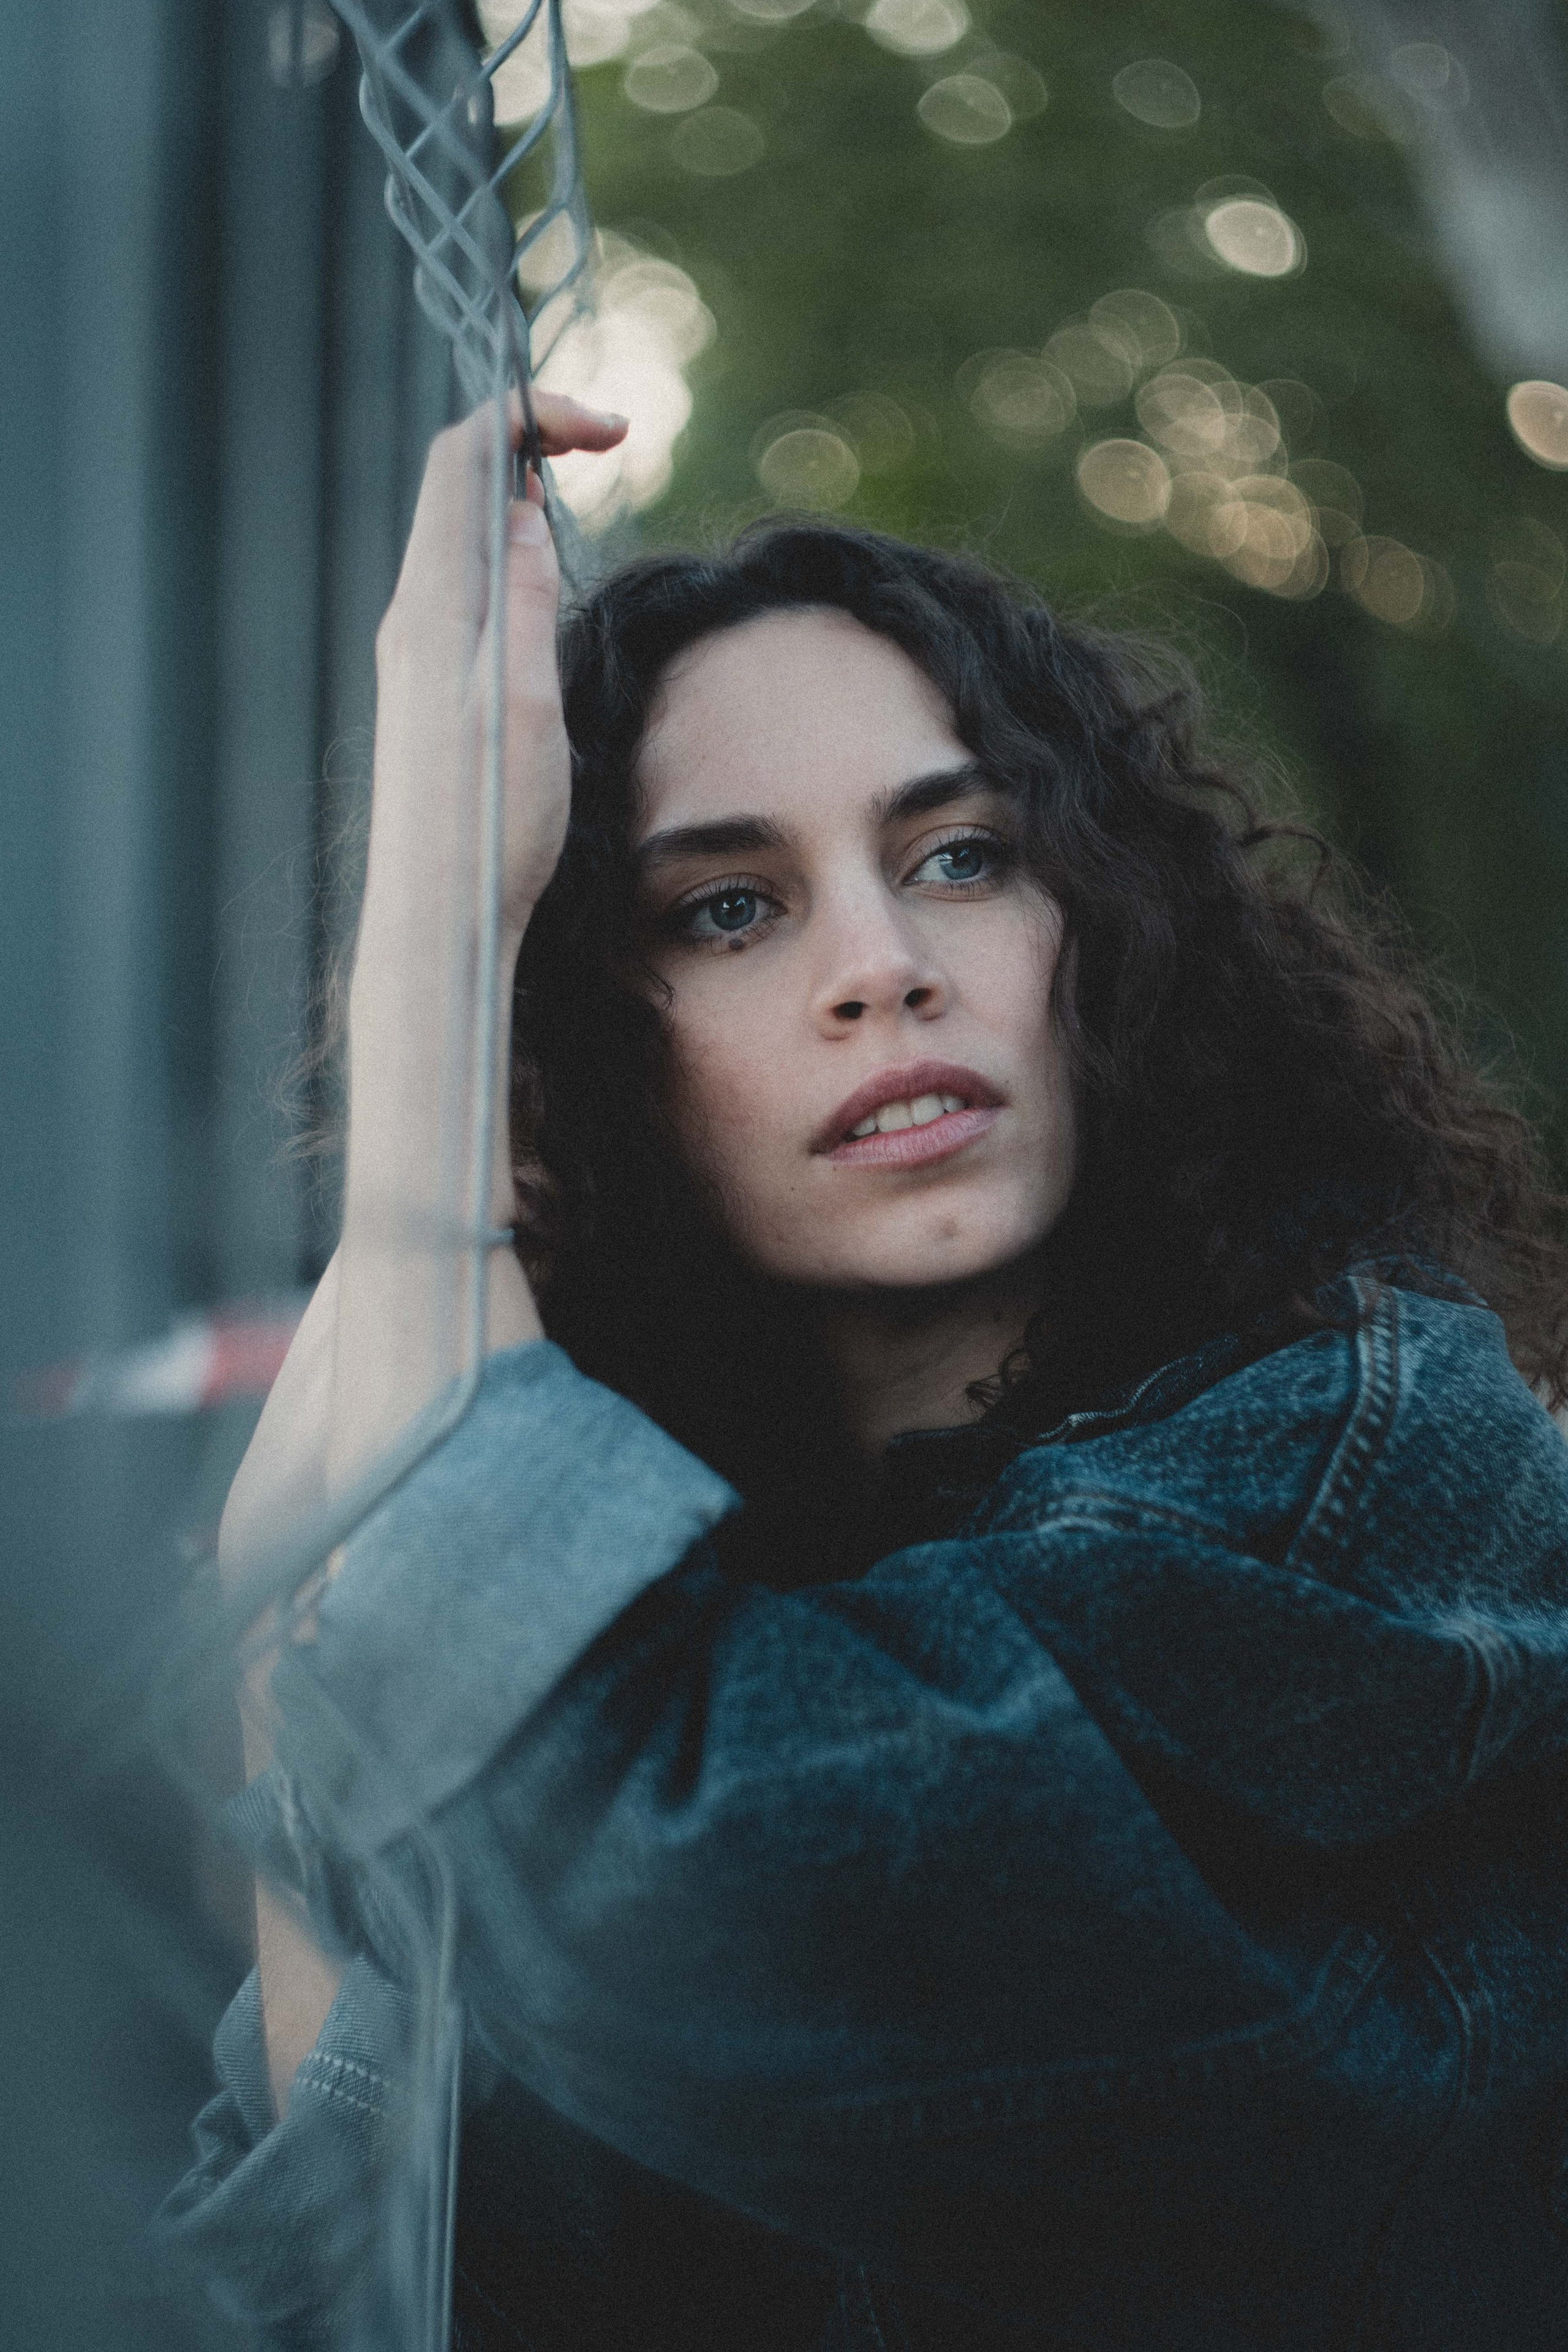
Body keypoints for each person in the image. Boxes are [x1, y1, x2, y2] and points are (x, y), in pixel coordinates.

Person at [162, 390, 1568, 2350]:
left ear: (1112, 920)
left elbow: (718, 1868)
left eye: (966, 854)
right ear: (584, 1044)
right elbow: (382, 2275)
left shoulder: (1376, 1459)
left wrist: (435, 966)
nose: (880, 962)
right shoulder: (702, 1541)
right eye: (728, 908)